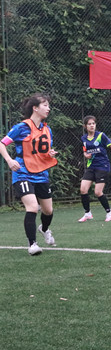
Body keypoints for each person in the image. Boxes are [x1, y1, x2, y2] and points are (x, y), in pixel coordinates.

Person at [0, 94, 59, 255]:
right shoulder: (21, 127)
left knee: (48, 211)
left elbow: (43, 151)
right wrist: (9, 160)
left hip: (41, 174)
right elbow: (2, 144)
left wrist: (50, 153)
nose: (48, 108)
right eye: (45, 105)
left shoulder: (47, 129)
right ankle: (32, 244)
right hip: (23, 173)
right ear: (35, 108)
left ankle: (44, 229)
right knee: (32, 207)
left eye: (48, 105)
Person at [78, 115, 111, 222]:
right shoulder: (84, 138)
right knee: (83, 190)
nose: (92, 126)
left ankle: (109, 212)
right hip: (91, 167)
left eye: (93, 123)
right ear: (85, 126)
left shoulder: (101, 136)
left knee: (98, 192)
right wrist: (86, 155)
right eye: (89, 124)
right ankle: (87, 214)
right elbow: (85, 151)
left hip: (102, 166)